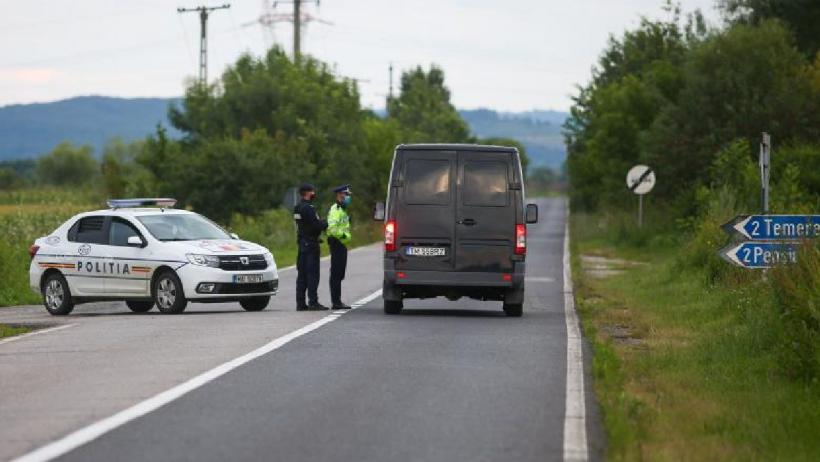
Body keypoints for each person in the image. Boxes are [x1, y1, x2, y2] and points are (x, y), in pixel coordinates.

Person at [294, 183, 328, 311]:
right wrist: (326, 223)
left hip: (302, 244)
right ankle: (313, 302)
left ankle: (300, 303)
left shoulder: (297, 208)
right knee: (312, 274)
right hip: (311, 244)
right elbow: (315, 225)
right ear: (308, 193)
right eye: (312, 192)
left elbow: (302, 225)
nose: (314, 194)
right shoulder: (309, 208)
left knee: (302, 274)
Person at [327, 184, 353, 310]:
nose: (348, 197)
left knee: (340, 273)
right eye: (346, 194)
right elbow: (332, 228)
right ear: (339, 195)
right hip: (337, 243)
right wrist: (343, 236)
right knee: (336, 273)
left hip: (341, 244)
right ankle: (336, 302)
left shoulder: (342, 210)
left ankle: (337, 301)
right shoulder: (335, 209)